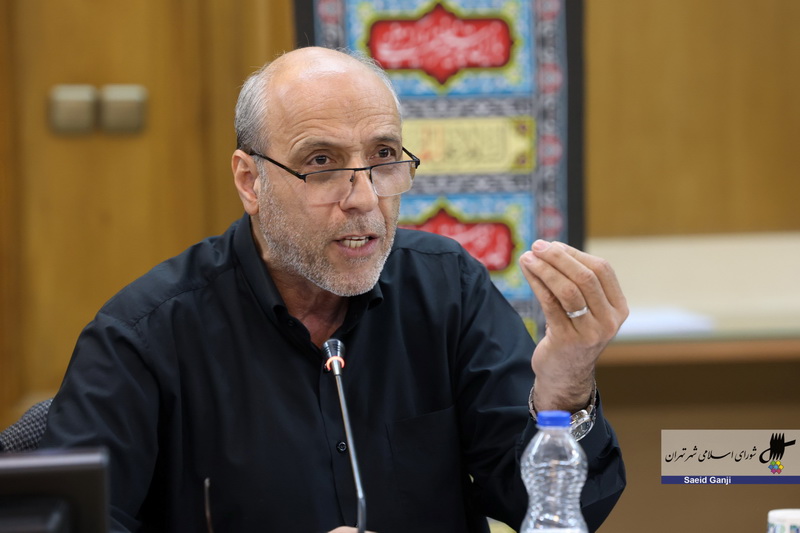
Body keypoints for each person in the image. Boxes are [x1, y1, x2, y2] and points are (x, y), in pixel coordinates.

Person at [41, 47, 628, 533]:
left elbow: (553, 509)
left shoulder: (446, 288)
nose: (364, 198)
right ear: (250, 181)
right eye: (321, 162)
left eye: (383, 157)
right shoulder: (143, 337)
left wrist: (566, 386)